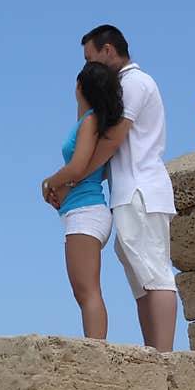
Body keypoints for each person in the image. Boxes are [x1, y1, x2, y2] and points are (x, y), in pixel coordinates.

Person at [45, 25, 178, 352]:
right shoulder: (128, 84)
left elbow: (110, 143)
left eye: (91, 59)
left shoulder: (133, 83)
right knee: (141, 279)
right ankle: (153, 355)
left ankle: (163, 359)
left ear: (108, 50)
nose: (91, 67)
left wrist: (68, 181)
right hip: (130, 192)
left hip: (140, 190)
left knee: (155, 274)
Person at [41, 61, 124, 340]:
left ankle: (95, 352)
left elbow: (77, 168)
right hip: (82, 210)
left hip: (85, 211)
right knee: (84, 290)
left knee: (86, 291)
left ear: (80, 86)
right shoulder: (91, 120)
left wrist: (49, 182)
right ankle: (94, 348)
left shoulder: (89, 120)